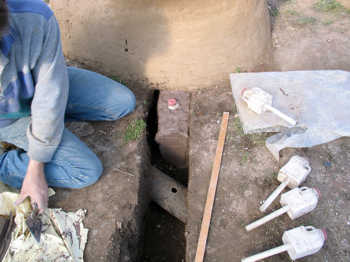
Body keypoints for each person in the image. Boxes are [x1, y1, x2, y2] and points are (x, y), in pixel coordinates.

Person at [0, 0, 136, 212]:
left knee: (123, 102)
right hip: (9, 117)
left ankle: (53, 126)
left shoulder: (35, 16)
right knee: (84, 171)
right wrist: (34, 171)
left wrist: (38, 159)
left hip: (36, 83)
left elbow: (49, 93)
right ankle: (4, 165)